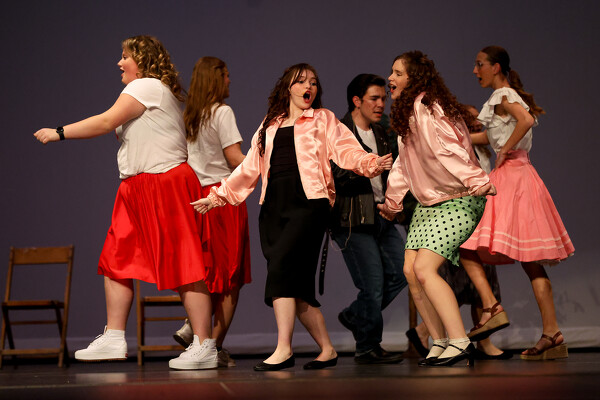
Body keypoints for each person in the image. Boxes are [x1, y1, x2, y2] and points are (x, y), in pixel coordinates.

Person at [192, 63, 393, 371]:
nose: (308, 86)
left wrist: (369, 163)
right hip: (274, 207)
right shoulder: (270, 124)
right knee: (296, 288)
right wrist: (217, 196)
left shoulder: (323, 119)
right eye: (301, 81)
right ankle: (327, 349)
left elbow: (346, 150)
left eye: (313, 82)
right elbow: (249, 167)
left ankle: (283, 349)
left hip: (309, 205)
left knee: (281, 273)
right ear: (288, 87)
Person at [34, 35, 217, 370]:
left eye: (125, 56)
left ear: (143, 62)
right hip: (135, 187)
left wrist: (58, 132)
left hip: (164, 181)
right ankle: (115, 336)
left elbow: (106, 121)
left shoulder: (147, 86)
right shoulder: (144, 90)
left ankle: (204, 344)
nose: (119, 63)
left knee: (183, 262)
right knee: (116, 259)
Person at [378, 51, 496, 367]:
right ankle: (440, 341)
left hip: (458, 198)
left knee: (425, 269)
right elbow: (404, 164)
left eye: (397, 73)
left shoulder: (428, 107)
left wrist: (477, 180)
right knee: (410, 271)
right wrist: (392, 203)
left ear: (414, 78)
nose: (390, 78)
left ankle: (460, 341)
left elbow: (449, 150)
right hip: (430, 204)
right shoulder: (410, 113)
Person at [460, 45, 574, 360]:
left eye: (479, 64)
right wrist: (456, 139)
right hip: (519, 176)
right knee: (531, 262)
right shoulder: (503, 97)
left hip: (513, 178)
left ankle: (492, 308)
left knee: (468, 246)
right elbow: (491, 136)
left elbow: (525, 120)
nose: (475, 70)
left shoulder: (502, 95)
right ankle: (552, 332)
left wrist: (505, 150)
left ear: (495, 67)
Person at [406, 105, 510, 360]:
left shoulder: (478, 150)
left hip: (474, 213)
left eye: (477, 119)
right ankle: (439, 335)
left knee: (474, 281)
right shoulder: (449, 140)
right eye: (470, 119)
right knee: (449, 281)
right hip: (451, 209)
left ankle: (474, 338)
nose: (477, 122)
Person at [171, 57, 252, 368]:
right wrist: (265, 163)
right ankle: (212, 346)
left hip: (197, 199)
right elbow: (234, 158)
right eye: (226, 75)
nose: (230, 80)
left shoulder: (188, 117)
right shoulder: (222, 112)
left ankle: (197, 330)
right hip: (223, 198)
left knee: (208, 272)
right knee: (230, 277)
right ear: (216, 79)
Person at [330, 74, 407, 364]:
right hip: (352, 218)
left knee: (402, 272)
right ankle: (367, 346)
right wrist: (367, 166)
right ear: (357, 101)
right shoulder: (339, 132)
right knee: (372, 284)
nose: (381, 104)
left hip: (381, 214)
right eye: (374, 98)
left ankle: (356, 315)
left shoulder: (381, 131)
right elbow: (334, 174)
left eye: (383, 98)